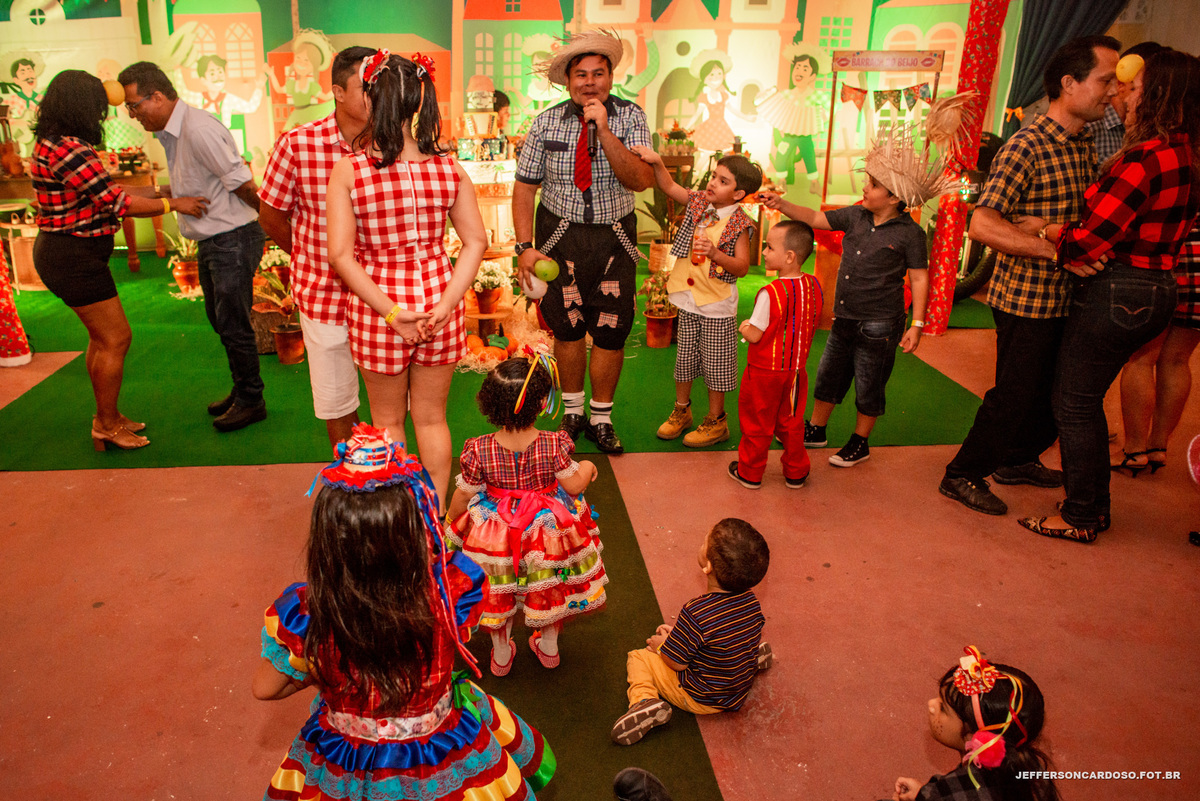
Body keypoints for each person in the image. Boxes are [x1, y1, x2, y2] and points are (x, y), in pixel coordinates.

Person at [253, 424, 556, 800]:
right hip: (439, 748)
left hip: (351, 760)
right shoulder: (451, 590)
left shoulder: (311, 614)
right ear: (415, 529)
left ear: (327, 539)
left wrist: (321, 672)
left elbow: (264, 688)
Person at [1015, 49, 1200, 542]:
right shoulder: (1187, 152)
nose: (1122, 94)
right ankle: (1091, 504)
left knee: (1073, 402)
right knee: (1086, 399)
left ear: (1159, 96)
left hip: (1121, 290)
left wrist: (1047, 229)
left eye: (1134, 88)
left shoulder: (1146, 158)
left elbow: (1087, 242)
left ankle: (1080, 516)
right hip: (1159, 286)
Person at [939, 36, 1120, 515]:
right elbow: (982, 222)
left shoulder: (1084, 143)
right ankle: (962, 473)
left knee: (1056, 396)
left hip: (1069, 297)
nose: (1110, 92)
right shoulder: (1027, 145)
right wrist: (1052, 251)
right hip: (1027, 299)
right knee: (1015, 395)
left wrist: (1048, 228)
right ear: (1069, 82)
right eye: (1104, 80)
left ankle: (1017, 459)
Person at [327, 50, 487, 505]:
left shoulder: (350, 170)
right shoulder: (447, 168)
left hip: (380, 311)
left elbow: (340, 255)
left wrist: (394, 313)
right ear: (419, 102)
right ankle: (434, 518)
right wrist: (444, 305)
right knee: (433, 420)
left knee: (387, 423)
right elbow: (475, 241)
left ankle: (398, 517)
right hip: (439, 305)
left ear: (373, 100)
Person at [29, 70, 207, 450]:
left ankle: (105, 416)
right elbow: (118, 203)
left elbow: (105, 190)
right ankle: (107, 426)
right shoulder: (69, 149)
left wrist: (162, 187)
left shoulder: (55, 143)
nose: (103, 114)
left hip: (68, 253)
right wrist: (173, 203)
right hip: (72, 256)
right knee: (116, 338)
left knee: (101, 339)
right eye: (97, 105)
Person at [513, 29, 654, 455]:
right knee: (567, 327)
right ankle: (573, 414)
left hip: (615, 239)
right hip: (560, 237)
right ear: (568, 80)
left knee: (612, 329)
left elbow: (642, 180)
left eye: (597, 73)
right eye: (580, 75)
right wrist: (524, 248)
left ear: (611, 77)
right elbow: (524, 189)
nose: (589, 82)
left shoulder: (630, 118)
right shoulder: (545, 123)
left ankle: (602, 418)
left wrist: (606, 132)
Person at [119, 61, 268, 432]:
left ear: (156, 96)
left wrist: (272, 223)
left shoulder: (198, 129)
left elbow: (243, 184)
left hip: (232, 238)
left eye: (134, 106)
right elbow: (199, 184)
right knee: (221, 322)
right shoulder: (172, 132)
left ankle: (252, 400)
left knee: (233, 325)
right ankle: (242, 388)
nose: (132, 115)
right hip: (213, 240)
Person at [763, 148, 932, 468]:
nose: (865, 188)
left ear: (895, 197)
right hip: (844, 318)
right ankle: (816, 429)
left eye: (874, 185)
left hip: (880, 324)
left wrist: (917, 323)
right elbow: (814, 218)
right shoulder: (855, 215)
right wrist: (781, 204)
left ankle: (860, 442)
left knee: (870, 384)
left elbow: (920, 279)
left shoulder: (911, 233)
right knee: (828, 377)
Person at [445, 352, 606, 676]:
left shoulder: (478, 448)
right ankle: (548, 647)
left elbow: (465, 493)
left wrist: (449, 522)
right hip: (545, 532)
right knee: (545, 585)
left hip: (493, 534)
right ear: (539, 403)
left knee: (497, 590)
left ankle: (501, 655)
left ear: (490, 403)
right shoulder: (552, 443)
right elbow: (573, 486)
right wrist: (588, 467)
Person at [259, 46, 374, 448]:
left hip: (385, 296)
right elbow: (271, 215)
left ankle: (394, 488)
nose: (375, 96)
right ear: (338, 92)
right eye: (365, 87)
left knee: (393, 404)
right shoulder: (298, 144)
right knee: (337, 399)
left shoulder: (395, 146)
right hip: (325, 294)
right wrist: (311, 256)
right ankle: (353, 486)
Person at [634, 147, 760, 447]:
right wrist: (658, 162)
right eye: (714, 176)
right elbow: (669, 186)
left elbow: (742, 267)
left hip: (716, 303)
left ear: (739, 193)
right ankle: (682, 411)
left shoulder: (740, 224)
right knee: (685, 358)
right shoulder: (700, 203)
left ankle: (716, 421)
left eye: (723, 181)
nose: (713, 183)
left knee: (716, 364)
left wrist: (716, 254)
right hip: (687, 295)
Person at [610, 517, 771, 746]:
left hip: (703, 696)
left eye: (704, 541)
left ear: (707, 567)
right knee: (738, 641)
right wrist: (680, 634)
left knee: (638, 658)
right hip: (737, 689)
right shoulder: (751, 601)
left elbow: (677, 663)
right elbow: (720, 632)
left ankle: (643, 702)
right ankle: (753, 658)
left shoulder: (696, 612)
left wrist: (663, 645)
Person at [892, 647, 1061, 801]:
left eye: (943, 708)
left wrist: (929, 796)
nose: (931, 705)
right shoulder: (1029, 772)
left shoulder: (948, 792)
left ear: (979, 737)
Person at [729, 221, 822, 489]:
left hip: (763, 373)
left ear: (790, 256)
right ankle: (796, 472)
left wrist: (744, 325)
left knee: (757, 423)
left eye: (770, 247)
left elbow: (755, 335)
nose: (765, 253)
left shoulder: (771, 293)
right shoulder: (814, 286)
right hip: (795, 372)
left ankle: (750, 472)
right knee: (791, 423)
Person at [1113, 223, 1200, 476]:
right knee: (1177, 360)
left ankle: (1134, 451)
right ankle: (1158, 447)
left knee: (1141, 358)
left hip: (1168, 258)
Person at [756, 46, 825, 195]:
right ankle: (782, 181)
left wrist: (819, 116)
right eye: (797, 67)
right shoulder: (787, 94)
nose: (799, 71)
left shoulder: (815, 96)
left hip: (805, 135)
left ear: (812, 76)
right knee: (781, 156)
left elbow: (827, 109)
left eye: (805, 69)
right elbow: (776, 107)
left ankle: (814, 183)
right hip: (789, 135)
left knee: (809, 157)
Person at [1085, 42, 1163, 163]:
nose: (1154, 99)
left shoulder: (1154, 126)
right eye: (1144, 89)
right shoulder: (1090, 127)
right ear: (1121, 84)